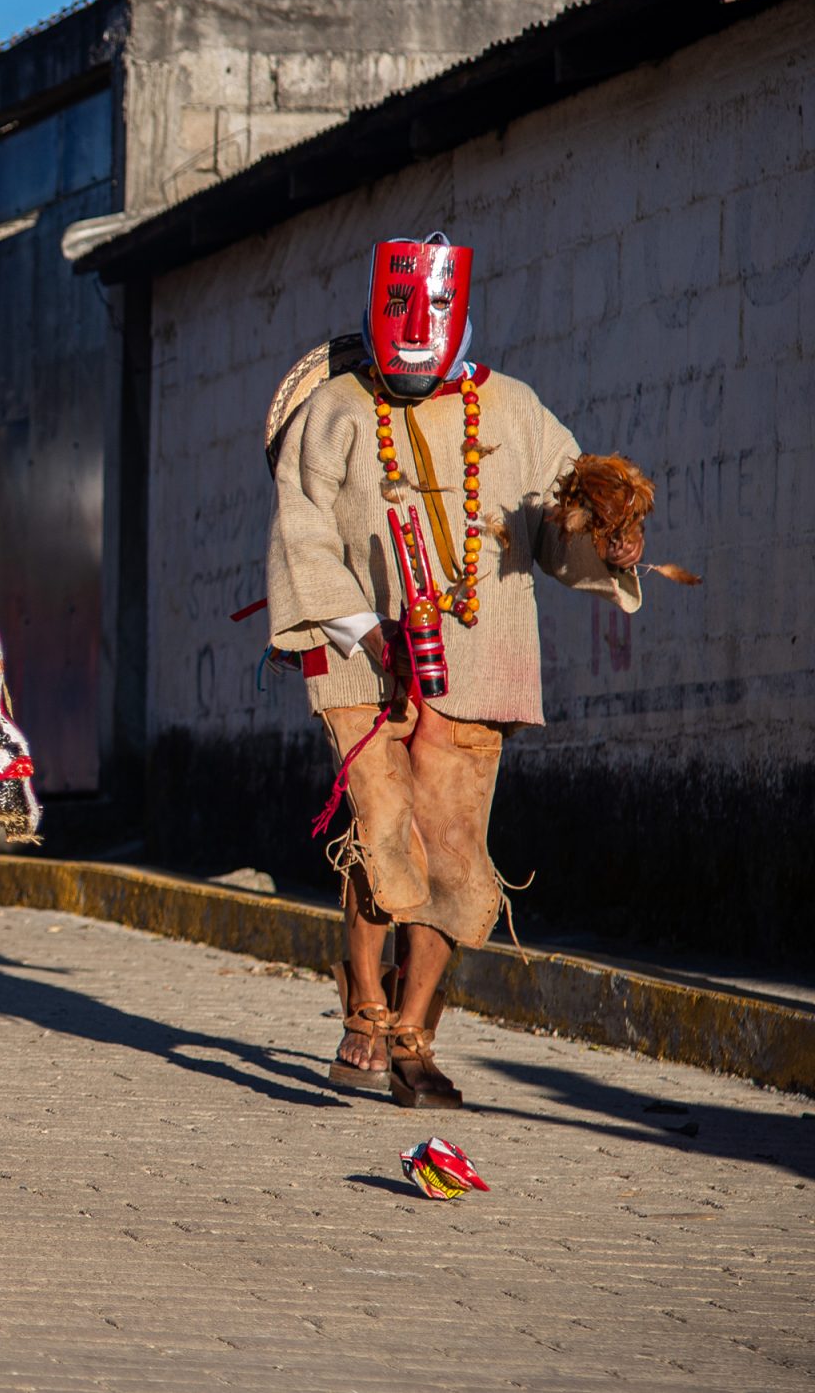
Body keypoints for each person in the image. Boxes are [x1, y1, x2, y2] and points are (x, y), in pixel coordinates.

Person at [265, 235, 645, 1110]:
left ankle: (413, 1038)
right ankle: (362, 1008)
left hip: (478, 656)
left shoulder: (513, 410)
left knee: (451, 853)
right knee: (383, 824)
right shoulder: (332, 411)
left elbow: (564, 518)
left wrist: (609, 539)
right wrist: (369, 629)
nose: (407, 386)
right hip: (360, 658)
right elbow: (302, 534)